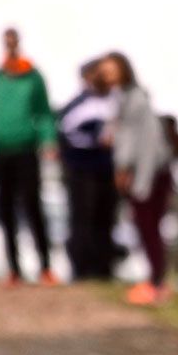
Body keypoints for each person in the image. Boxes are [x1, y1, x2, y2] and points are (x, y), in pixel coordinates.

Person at [0, 28, 58, 287]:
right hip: (1, 151)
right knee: (5, 210)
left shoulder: (33, 78)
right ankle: (14, 270)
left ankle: (45, 267)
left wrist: (48, 139)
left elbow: (44, 113)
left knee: (33, 206)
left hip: (26, 150)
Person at [99, 52, 173, 305]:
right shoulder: (123, 98)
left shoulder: (135, 99)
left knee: (149, 228)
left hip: (149, 173)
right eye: (104, 70)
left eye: (111, 69)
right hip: (145, 173)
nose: (107, 74)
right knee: (144, 228)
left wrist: (126, 170)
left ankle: (157, 284)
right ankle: (154, 280)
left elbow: (138, 143)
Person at [57, 59, 119, 280]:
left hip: (108, 170)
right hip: (82, 171)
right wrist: (95, 140)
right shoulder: (77, 104)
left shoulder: (114, 101)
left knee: (106, 219)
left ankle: (104, 269)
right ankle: (82, 269)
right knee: (83, 219)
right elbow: (65, 133)